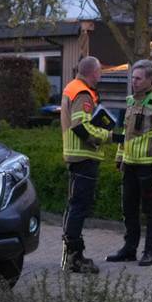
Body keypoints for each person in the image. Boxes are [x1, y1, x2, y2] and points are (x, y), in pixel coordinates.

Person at [59, 56, 121, 273]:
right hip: (84, 156)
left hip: (76, 156)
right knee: (79, 207)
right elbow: (81, 127)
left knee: (74, 205)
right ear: (93, 73)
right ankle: (75, 258)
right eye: (100, 72)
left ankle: (69, 255)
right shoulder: (83, 93)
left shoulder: (72, 87)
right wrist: (110, 136)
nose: (100, 76)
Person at [108, 59, 152, 267]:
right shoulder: (130, 101)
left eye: (138, 78)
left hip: (148, 165)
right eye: (132, 78)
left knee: (150, 211)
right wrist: (119, 156)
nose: (133, 82)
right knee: (129, 208)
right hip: (130, 163)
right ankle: (129, 249)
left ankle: (149, 252)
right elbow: (125, 133)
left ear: (150, 79)